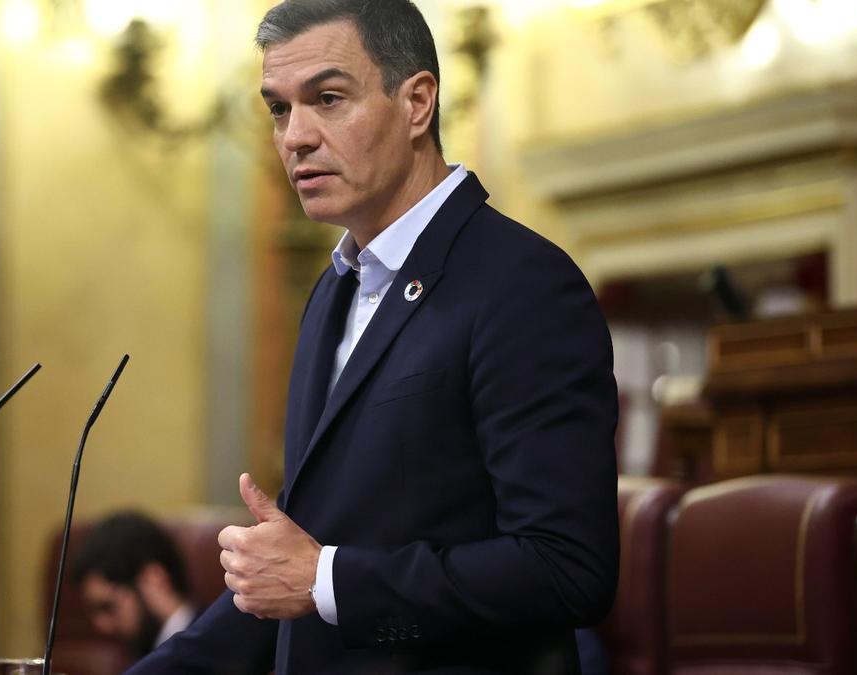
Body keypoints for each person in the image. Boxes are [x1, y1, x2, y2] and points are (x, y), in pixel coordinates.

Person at [130, 0, 618, 672]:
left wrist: (328, 581)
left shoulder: (523, 284)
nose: (295, 136)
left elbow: (567, 565)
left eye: (327, 98)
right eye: (278, 108)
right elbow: (297, 570)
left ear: (418, 103)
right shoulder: (333, 291)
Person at [71, 511, 197, 660]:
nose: (102, 625)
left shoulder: (209, 647)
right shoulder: (148, 652)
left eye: (108, 606)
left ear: (154, 579)